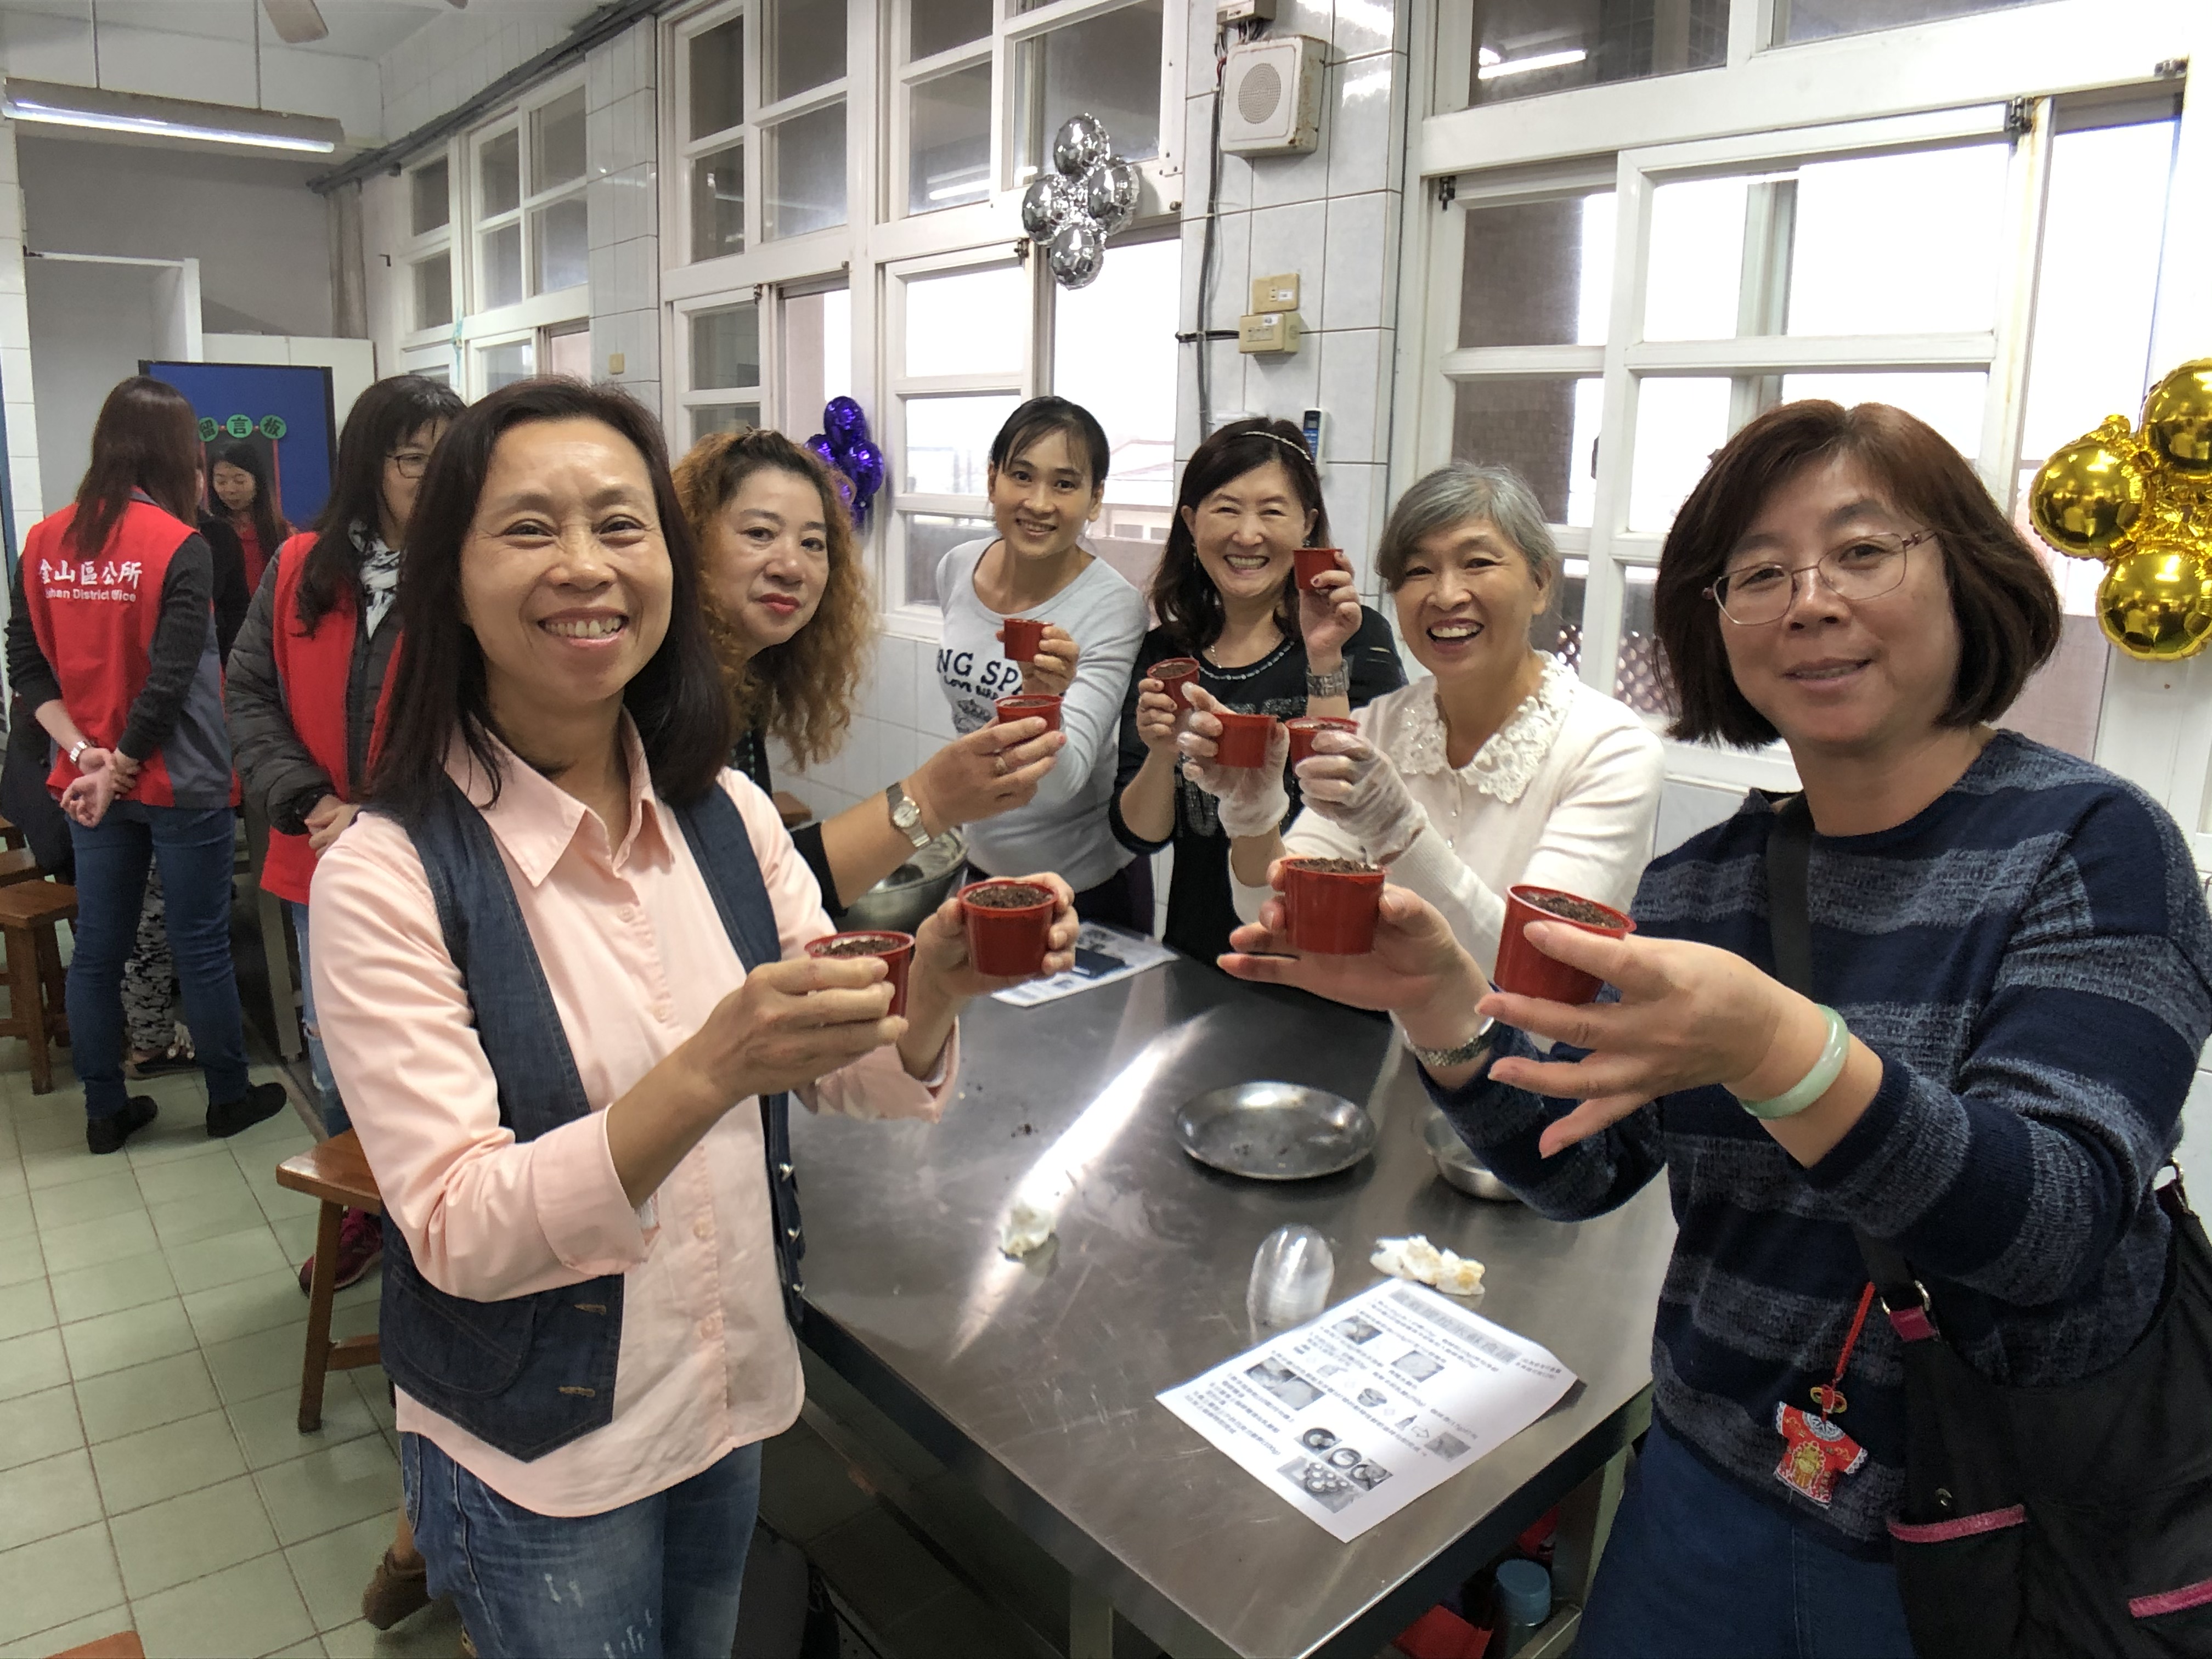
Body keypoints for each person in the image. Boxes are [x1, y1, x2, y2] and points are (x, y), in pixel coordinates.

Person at [1220, 400, 2212, 1656]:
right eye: (1759, 572)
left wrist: (1779, 1054)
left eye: (1862, 551)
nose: (1808, 600)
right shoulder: (1711, 884)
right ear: (1716, 620)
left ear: (1968, 574)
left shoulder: (2092, 847)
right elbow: (1582, 1164)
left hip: (1992, 1517)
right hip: (1707, 1483)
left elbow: (2054, 1226)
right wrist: (1442, 1014)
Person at [310, 379, 1078, 1659]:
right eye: (528, 529)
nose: (584, 567)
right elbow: (454, 1227)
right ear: (447, 577)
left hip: (722, 1396)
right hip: (540, 1461)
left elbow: (844, 1074)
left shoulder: (715, 814)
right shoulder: (390, 875)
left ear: (667, 568)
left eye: (621, 525)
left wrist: (932, 985)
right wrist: (711, 1070)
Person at [1207, 464, 1662, 973]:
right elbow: (1279, 916)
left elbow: (1534, 968)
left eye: (1477, 563)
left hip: (1550, 1052)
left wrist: (1398, 831)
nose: (1446, 596)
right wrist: (1251, 813)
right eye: (1419, 571)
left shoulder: (1611, 750)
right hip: (1406, 1046)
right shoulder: (1382, 726)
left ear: (1540, 583)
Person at [4, 376, 287, 1152]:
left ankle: (105, 1111)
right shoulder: (178, 542)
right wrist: (123, 764)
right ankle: (228, 1096)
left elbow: (24, 665)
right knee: (198, 940)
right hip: (176, 773)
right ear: (176, 453)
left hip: (88, 780)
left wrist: (83, 757)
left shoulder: (45, 540)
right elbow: (170, 678)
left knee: (100, 943)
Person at [228, 373, 465, 1296]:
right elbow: (246, 690)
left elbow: (485, 719)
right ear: (372, 465)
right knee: (338, 1056)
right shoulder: (299, 570)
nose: (435, 478)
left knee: (436, 1049)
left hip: (437, 857)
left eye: (451, 458)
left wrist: (385, 809)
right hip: (314, 857)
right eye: (415, 460)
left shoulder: (467, 573)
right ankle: (366, 1214)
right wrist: (306, 795)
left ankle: (438, 1222)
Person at [674, 427, 1063, 916]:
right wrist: (931, 797)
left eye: (814, 543)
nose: (791, 565)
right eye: (760, 534)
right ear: (689, 542)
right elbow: (734, 897)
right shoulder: (664, 704)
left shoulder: (737, 688)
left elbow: (764, 879)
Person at [1111, 416, 1404, 962]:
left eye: (1272, 511)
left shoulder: (1355, 634)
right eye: (1226, 509)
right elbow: (1143, 834)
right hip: (1204, 953)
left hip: (1334, 953)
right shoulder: (1166, 655)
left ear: (1307, 524)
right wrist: (1159, 753)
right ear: (1191, 524)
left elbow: (1356, 803)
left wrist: (1323, 657)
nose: (1247, 535)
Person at [934, 396, 1150, 927]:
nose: (1038, 502)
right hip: (982, 868)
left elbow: (1059, 785)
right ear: (992, 480)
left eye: (1065, 484)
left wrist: (1043, 699)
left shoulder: (1113, 606)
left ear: (1096, 498)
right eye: (1022, 476)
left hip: (1083, 889)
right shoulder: (958, 567)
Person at [209, 438, 290, 592]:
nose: (230, 489)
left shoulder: (281, 532)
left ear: (257, 481)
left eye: (239, 481)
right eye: (221, 482)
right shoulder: (208, 532)